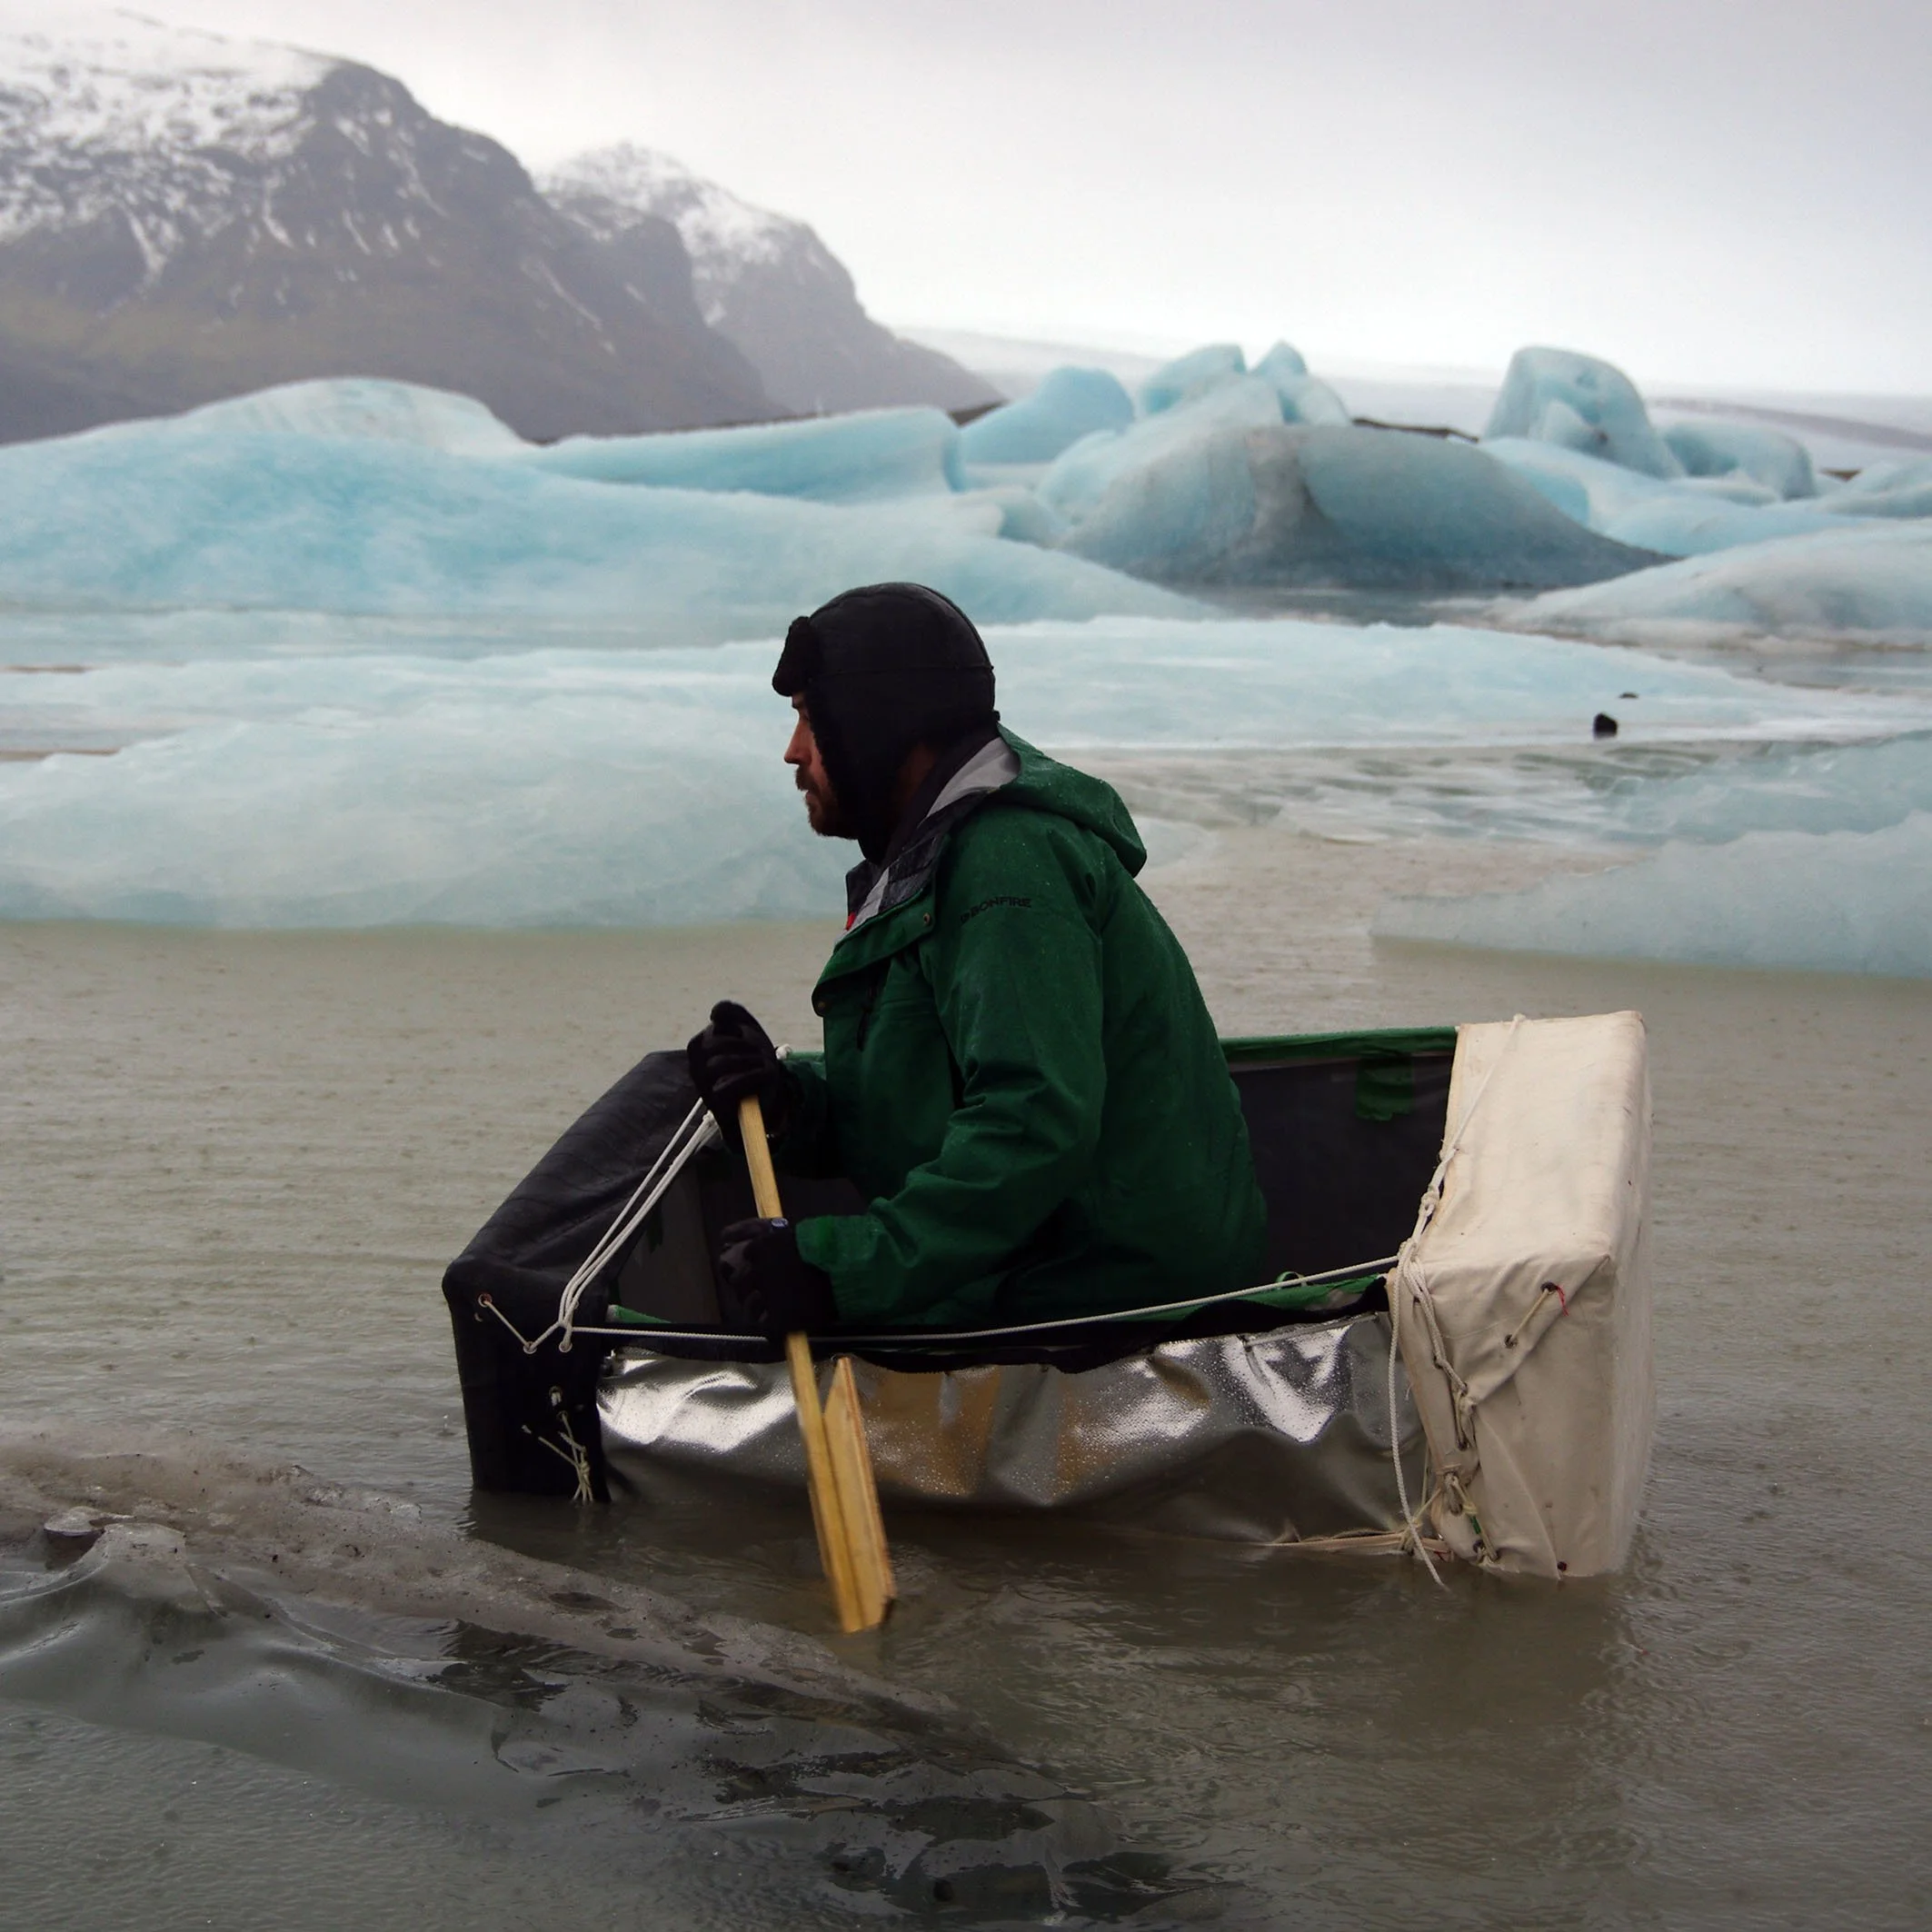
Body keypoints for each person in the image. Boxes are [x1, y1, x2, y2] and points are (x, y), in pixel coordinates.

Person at [687, 582, 1265, 1339]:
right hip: (1042, 1271)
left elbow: (1031, 1123)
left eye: (807, 715)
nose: (793, 751)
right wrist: (796, 1106)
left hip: (1103, 1307)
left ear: (875, 720)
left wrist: (845, 1269)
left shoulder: (1005, 866)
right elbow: (943, 1091)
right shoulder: (940, 852)